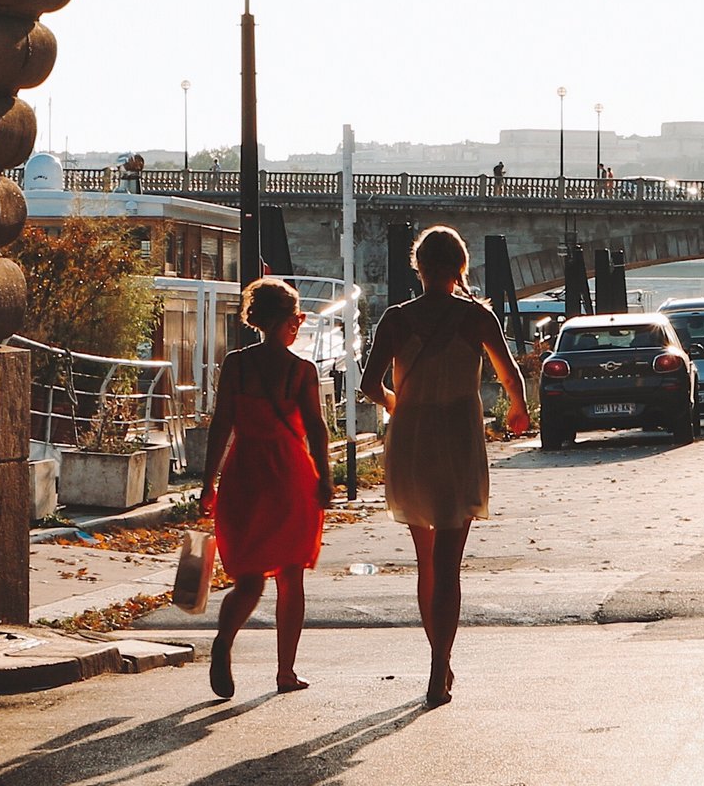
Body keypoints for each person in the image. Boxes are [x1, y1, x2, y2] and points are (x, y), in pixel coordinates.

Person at [360, 226, 530, 707]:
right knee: (449, 565)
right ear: (461, 268)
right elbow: (509, 372)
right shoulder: (476, 317)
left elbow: (370, 384)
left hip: (412, 438)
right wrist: (517, 409)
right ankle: (439, 669)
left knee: (425, 562)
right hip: (457, 435)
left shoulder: (396, 319)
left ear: (418, 268)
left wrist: (400, 403)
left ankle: (438, 660)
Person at [199, 277, 332, 701]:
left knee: (250, 580)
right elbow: (316, 428)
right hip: (289, 475)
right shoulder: (301, 371)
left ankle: (224, 639)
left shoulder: (236, 365)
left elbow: (221, 424)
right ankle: (285, 671)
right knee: (291, 578)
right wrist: (326, 477)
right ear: (293, 319)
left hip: (244, 474)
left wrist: (208, 481)